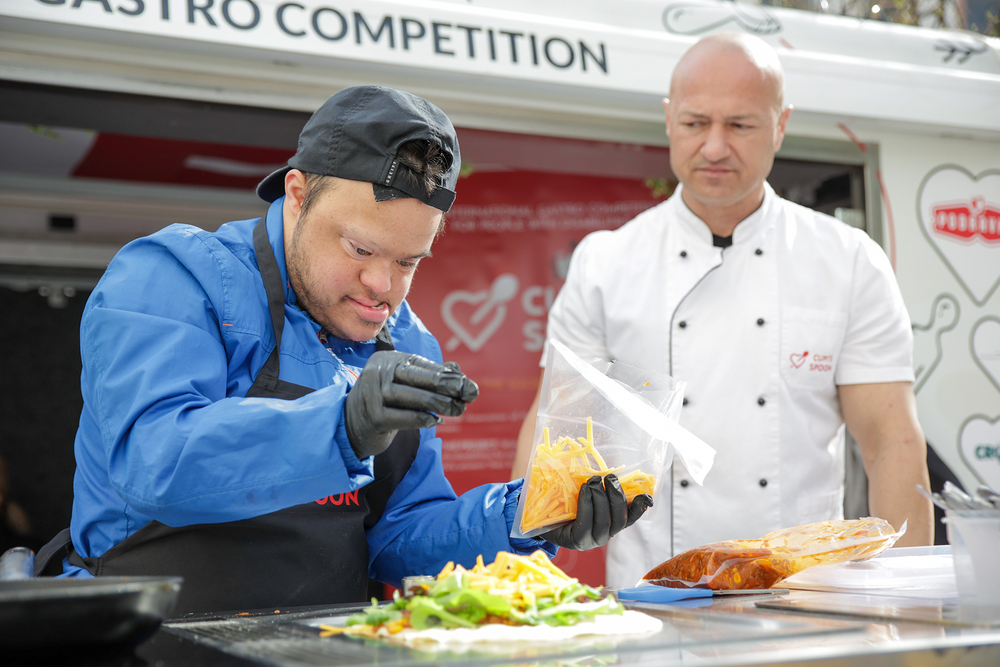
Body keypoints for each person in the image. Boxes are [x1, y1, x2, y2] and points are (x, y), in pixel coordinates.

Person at [36, 86, 650, 614]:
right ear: (297, 194)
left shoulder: (406, 339)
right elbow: (154, 463)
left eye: (408, 262)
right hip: (153, 640)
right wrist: (343, 425)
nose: (382, 286)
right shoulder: (173, 276)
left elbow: (401, 536)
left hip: (325, 644)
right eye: (360, 249)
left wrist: (525, 515)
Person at [511, 33, 933, 588]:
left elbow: (890, 443)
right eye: (695, 123)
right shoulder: (605, 262)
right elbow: (553, 430)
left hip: (805, 600)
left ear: (780, 124)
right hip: (650, 599)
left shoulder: (849, 261)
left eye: (739, 125)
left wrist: (912, 602)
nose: (714, 147)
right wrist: (523, 575)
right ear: (669, 120)